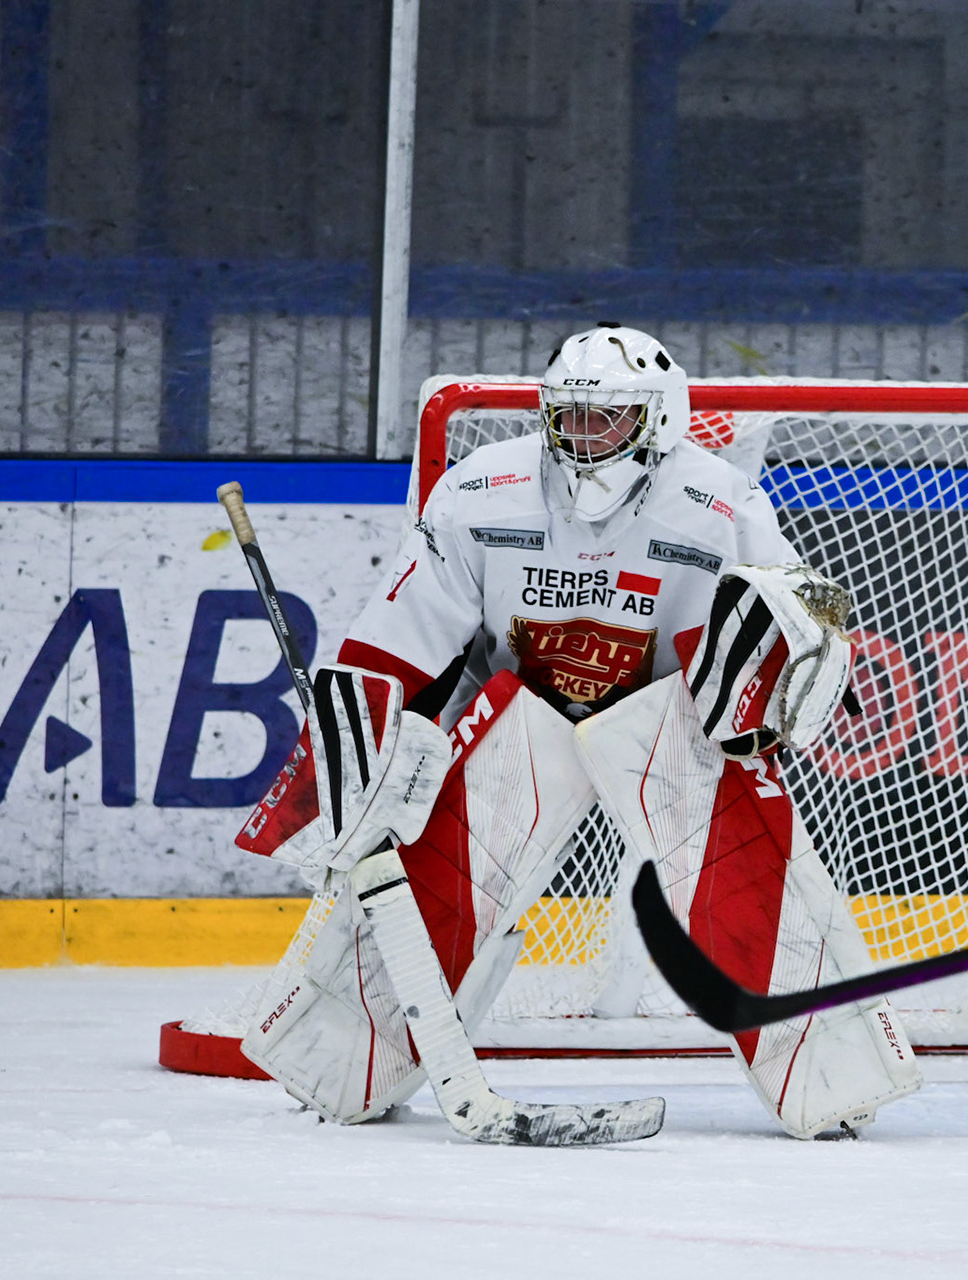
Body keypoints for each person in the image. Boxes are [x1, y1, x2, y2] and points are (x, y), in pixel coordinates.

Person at [233, 323, 923, 1140]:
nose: (585, 435)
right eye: (570, 415)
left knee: (743, 867)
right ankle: (345, 1061)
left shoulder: (720, 503)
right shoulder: (482, 491)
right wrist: (361, 744)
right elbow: (396, 640)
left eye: (609, 417)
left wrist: (776, 682)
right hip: (522, 716)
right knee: (445, 872)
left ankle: (832, 1074)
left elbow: (783, 651)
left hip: (668, 725)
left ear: (660, 419)